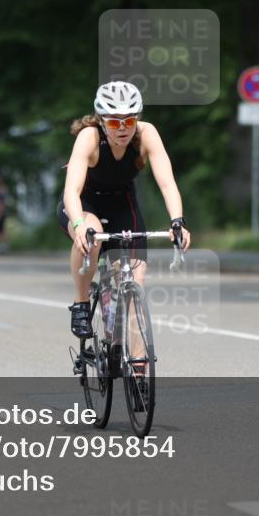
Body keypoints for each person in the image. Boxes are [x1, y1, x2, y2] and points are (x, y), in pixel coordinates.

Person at [57, 81, 191, 350]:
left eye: (129, 121)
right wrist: (80, 225)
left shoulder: (146, 134)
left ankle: (139, 372)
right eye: (114, 122)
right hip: (83, 203)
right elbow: (71, 189)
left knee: (135, 282)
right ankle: (81, 301)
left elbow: (167, 183)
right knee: (92, 239)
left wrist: (177, 221)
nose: (122, 129)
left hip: (122, 204)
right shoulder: (90, 137)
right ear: (101, 119)